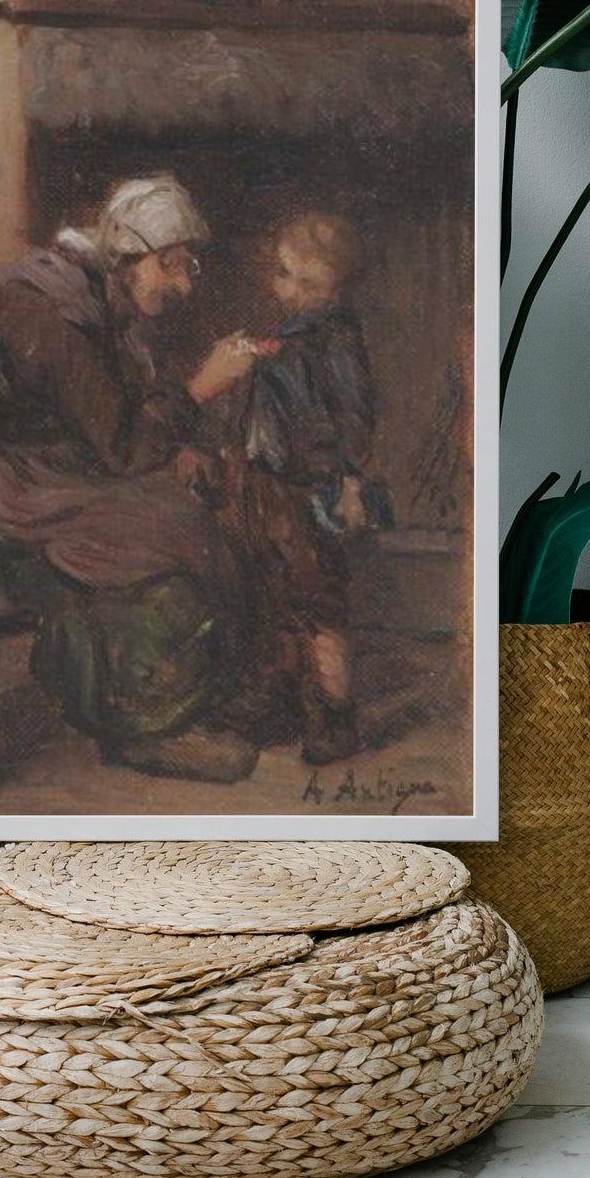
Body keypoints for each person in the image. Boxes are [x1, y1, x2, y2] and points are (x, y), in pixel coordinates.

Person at [0, 173, 261, 783]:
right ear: (129, 255)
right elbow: (118, 444)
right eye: (172, 266)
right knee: (164, 533)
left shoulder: (98, 295)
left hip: (42, 468)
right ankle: (147, 726)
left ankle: (183, 695)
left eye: (188, 266)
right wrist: (203, 387)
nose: (184, 285)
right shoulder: (52, 309)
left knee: (181, 507)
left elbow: (117, 413)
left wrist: (176, 449)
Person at [222, 211, 387, 767]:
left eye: (310, 284)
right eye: (286, 275)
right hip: (269, 486)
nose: (292, 290)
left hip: (313, 488)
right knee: (275, 597)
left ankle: (334, 717)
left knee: (319, 606)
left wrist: (350, 481)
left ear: (338, 288)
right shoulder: (290, 337)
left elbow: (355, 416)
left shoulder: (336, 338)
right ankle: (284, 703)